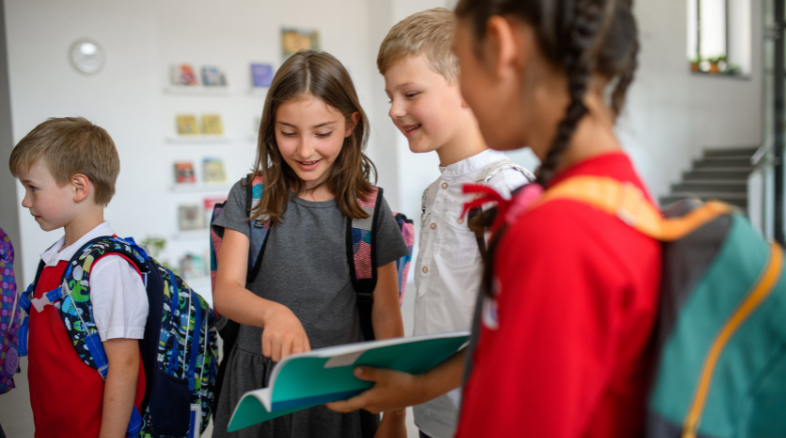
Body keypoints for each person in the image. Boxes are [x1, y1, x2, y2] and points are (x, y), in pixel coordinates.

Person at [450, 0, 659, 437]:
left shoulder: (561, 233)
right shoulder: (618, 195)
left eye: (459, 60)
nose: (462, 90)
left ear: (501, 45)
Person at [328, 8, 532, 438]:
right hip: (436, 419)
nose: (394, 110)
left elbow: (520, 326)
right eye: (390, 96)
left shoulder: (506, 190)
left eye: (410, 93)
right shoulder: (434, 193)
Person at [211, 50, 408, 438]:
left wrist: (397, 414)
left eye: (322, 133)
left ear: (350, 124)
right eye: (288, 132)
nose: (304, 150)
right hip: (257, 385)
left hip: (339, 387)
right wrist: (273, 314)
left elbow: (386, 316)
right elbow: (227, 292)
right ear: (271, 127)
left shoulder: (369, 211)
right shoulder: (249, 197)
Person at [9, 117, 148, 438]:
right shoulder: (55, 258)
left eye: (33, 188)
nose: (26, 201)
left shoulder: (108, 267)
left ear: (78, 187)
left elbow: (124, 366)